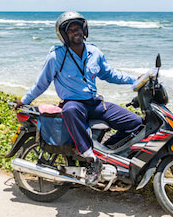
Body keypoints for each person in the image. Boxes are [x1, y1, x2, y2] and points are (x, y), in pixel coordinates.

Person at [15, 11, 143, 184]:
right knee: (70, 109)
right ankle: (90, 158)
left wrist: (135, 80)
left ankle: (106, 153)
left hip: (95, 103)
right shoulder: (56, 56)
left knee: (135, 122)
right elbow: (42, 83)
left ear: (85, 30)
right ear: (64, 35)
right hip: (74, 104)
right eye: (71, 30)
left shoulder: (94, 52)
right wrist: (24, 100)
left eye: (78, 28)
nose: (76, 32)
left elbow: (109, 74)